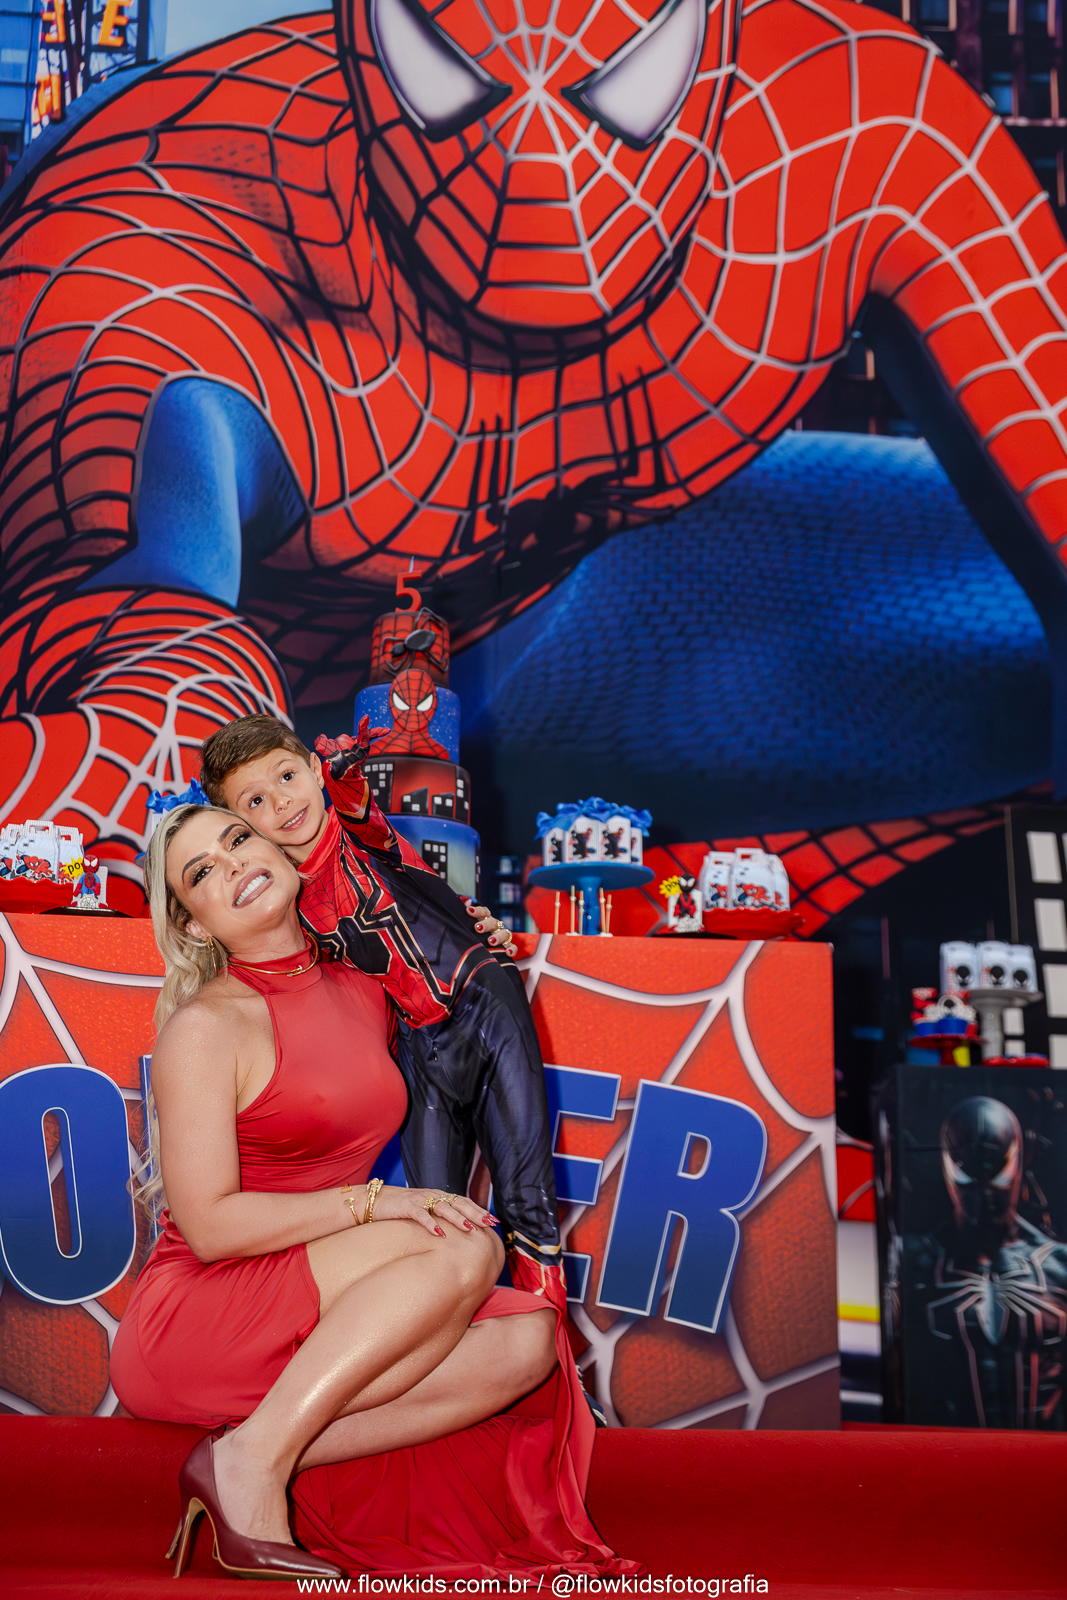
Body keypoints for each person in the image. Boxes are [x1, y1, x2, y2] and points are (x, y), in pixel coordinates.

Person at [109, 803, 633, 1580]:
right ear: (193, 924)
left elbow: (460, 1019)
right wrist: (377, 1203)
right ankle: (251, 1466)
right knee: (463, 1248)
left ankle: (252, 1449)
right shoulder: (206, 1027)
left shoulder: (367, 987)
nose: (233, 863)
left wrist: (472, 940)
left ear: (279, 849)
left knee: (526, 1341)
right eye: (202, 873)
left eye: (238, 838)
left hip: (327, 1284)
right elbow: (212, 1228)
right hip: (206, 1306)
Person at [199, 714, 565, 1305]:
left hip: (482, 1002)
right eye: (257, 800)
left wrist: (345, 776)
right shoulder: (279, 901)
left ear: (314, 770)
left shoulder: (358, 831)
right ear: (241, 826)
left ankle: (553, 1360)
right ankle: (474, 1354)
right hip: (417, 1048)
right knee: (438, 1222)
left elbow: (358, 807)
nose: (283, 801)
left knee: (528, 1201)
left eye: (287, 776)